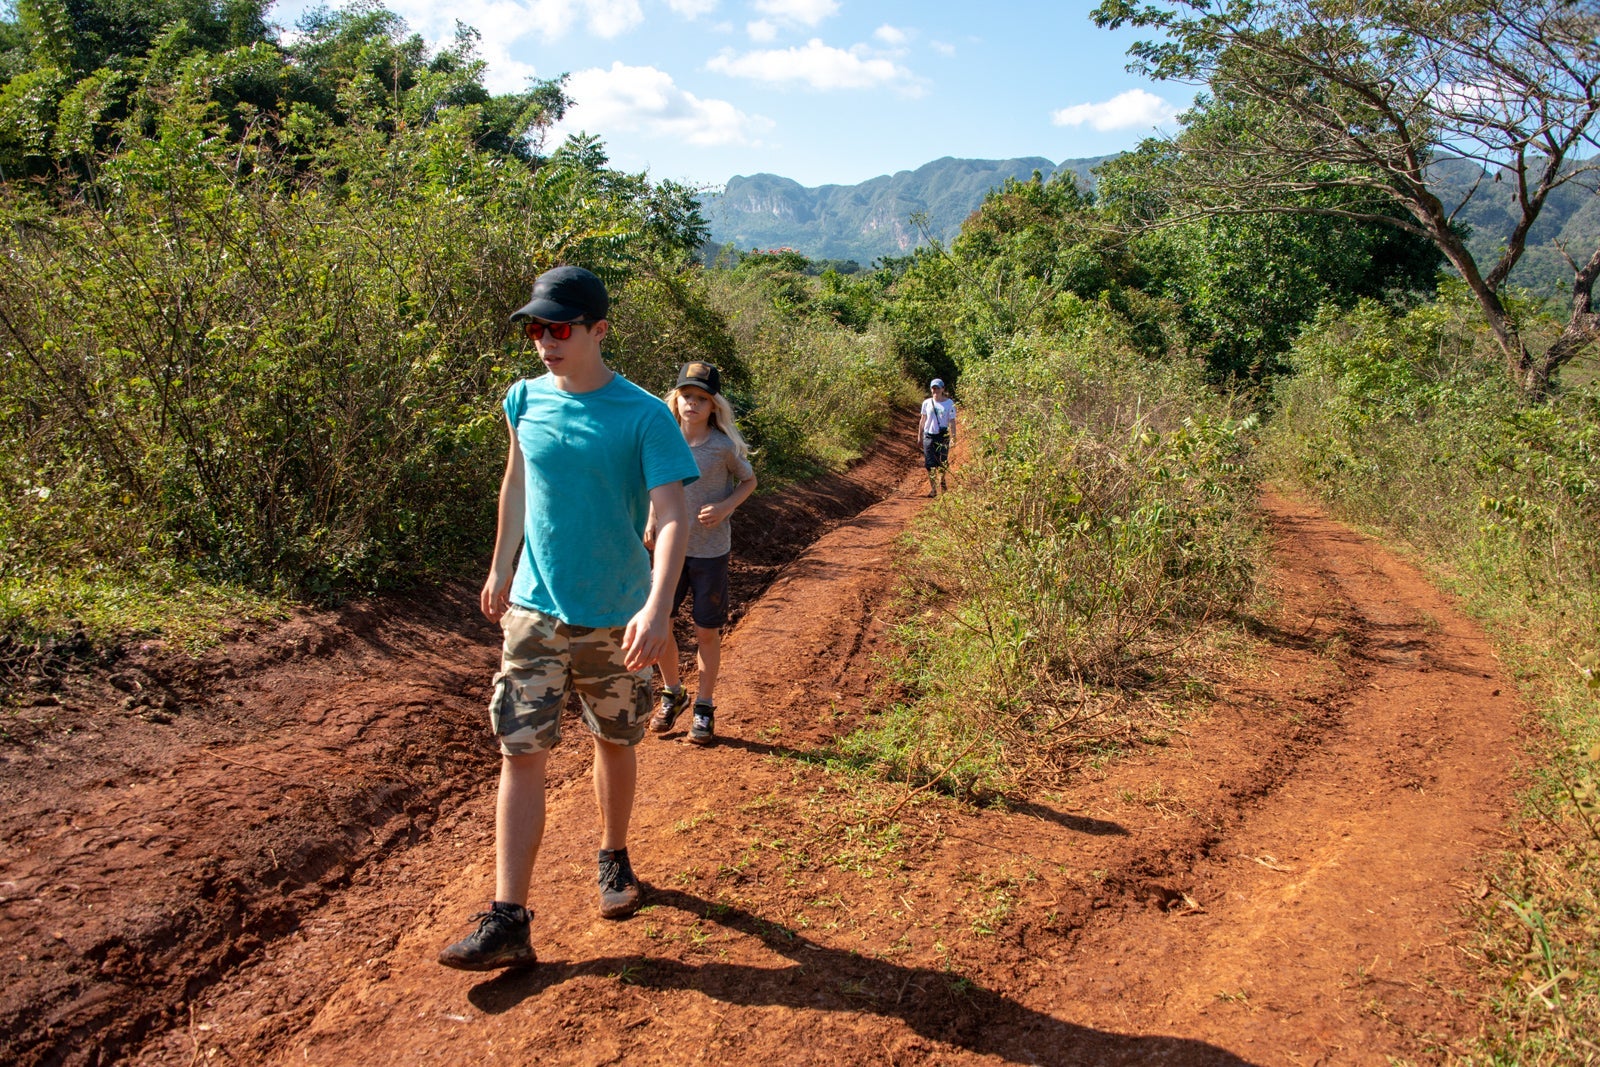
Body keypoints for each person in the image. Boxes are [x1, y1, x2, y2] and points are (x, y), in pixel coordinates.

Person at [437, 265, 700, 972]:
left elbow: (673, 515)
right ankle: (508, 916)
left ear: (598, 330)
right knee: (520, 749)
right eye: (535, 328)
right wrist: (500, 564)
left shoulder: (643, 413)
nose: (544, 342)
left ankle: (613, 856)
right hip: (534, 610)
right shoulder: (523, 400)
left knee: (615, 740)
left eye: (559, 328)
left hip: (617, 615)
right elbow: (517, 482)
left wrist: (655, 605)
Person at [644, 361, 757, 747]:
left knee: (706, 631)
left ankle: (705, 706)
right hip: (667, 550)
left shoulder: (722, 447)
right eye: (686, 396)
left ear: (713, 407)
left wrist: (726, 506)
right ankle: (673, 692)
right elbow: (657, 483)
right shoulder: (662, 438)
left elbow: (749, 480)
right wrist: (650, 516)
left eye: (701, 399)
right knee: (661, 623)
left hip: (710, 552)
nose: (692, 404)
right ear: (676, 400)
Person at [919, 377, 956, 497]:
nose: (935, 390)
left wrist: (953, 437)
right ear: (931, 389)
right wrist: (919, 435)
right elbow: (923, 419)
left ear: (942, 389)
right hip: (929, 435)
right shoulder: (927, 403)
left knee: (942, 462)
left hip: (943, 436)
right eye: (933, 388)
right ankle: (933, 489)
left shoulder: (949, 403)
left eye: (938, 388)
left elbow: (952, 421)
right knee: (930, 464)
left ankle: (942, 482)